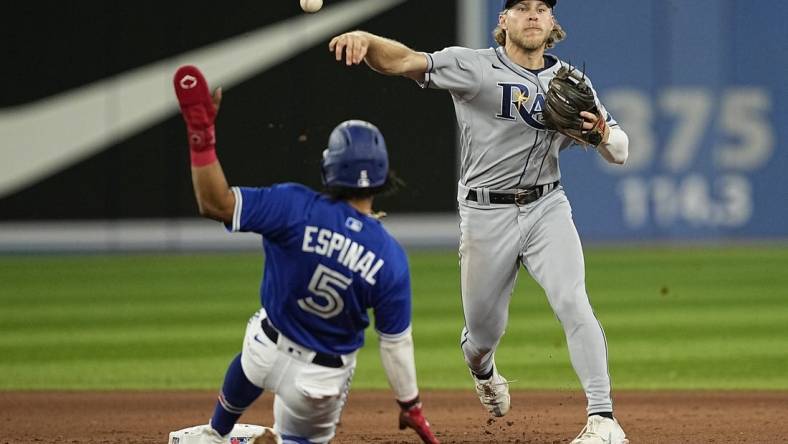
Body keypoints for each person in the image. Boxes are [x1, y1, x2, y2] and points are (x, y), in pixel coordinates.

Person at [328, 1, 630, 443]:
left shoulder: (571, 81)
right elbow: (407, 61)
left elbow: (620, 150)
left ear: (553, 23)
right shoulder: (473, 68)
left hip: (548, 205)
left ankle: (603, 419)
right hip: (486, 214)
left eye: (542, 8)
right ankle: (482, 368)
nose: (532, 15)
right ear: (502, 20)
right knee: (484, 332)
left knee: (572, 299)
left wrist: (602, 133)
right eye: (521, 7)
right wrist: (368, 41)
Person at [172, 65, 439, 444]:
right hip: (320, 381)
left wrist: (202, 136)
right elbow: (396, 345)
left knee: (255, 348)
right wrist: (410, 404)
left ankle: (216, 431)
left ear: (329, 166)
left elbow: (214, 204)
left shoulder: (292, 205)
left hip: (264, 348)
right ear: (381, 177)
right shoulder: (389, 257)